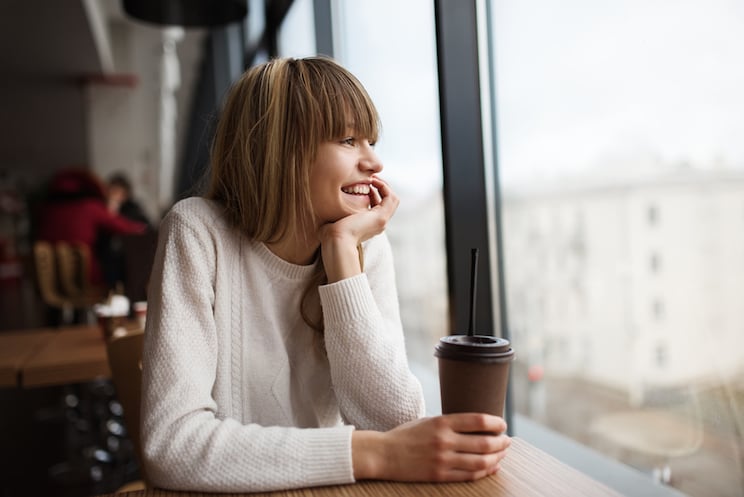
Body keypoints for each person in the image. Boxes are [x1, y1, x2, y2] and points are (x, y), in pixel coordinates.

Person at [141, 56, 511, 493]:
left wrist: (341, 258)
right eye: (349, 140)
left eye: (370, 141)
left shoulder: (362, 244)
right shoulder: (198, 231)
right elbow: (172, 446)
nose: (374, 162)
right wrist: (375, 453)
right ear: (280, 149)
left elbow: (395, 419)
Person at [36, 167, 147, 286]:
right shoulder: (90, 207)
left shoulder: (46, 210)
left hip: (48, 278)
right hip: (84, 276)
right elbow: (128, 227)